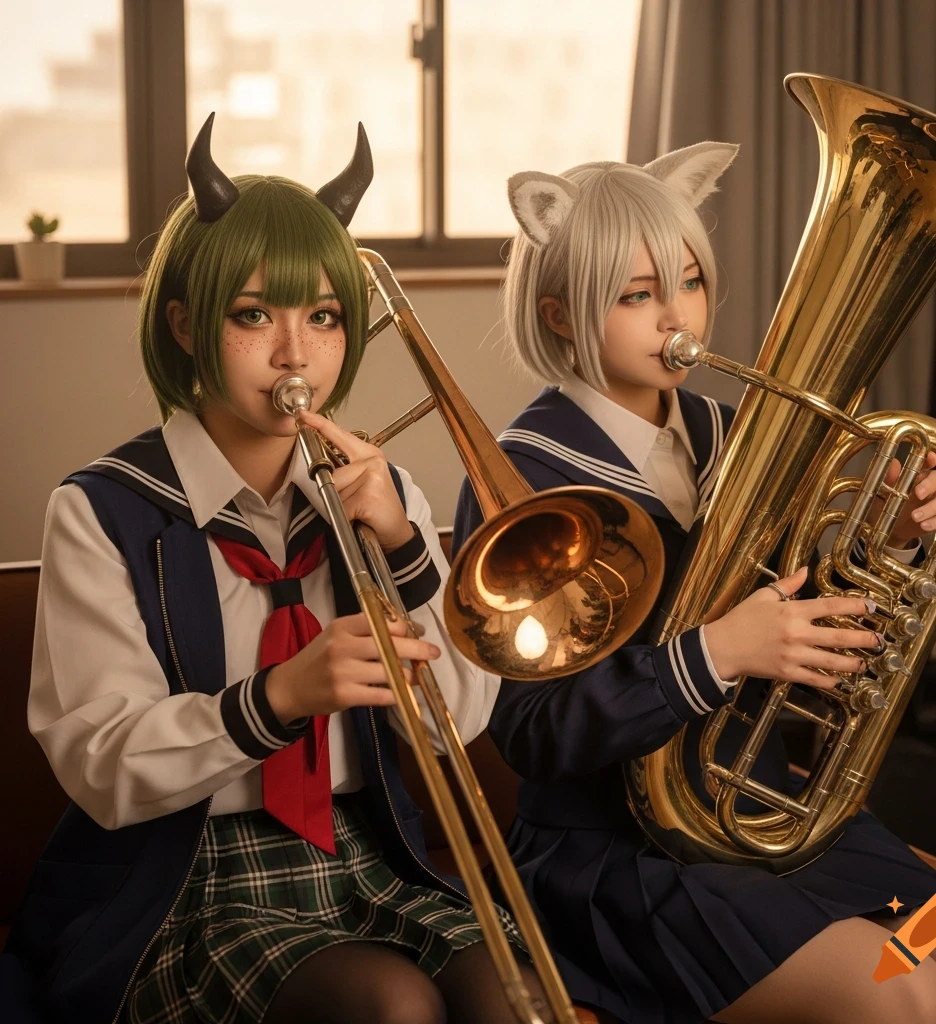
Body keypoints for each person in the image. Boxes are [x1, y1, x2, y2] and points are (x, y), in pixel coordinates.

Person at [452, 143, 936, 1024]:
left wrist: (886, 536)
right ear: (562, 316)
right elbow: (530, 733)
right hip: (619, 857)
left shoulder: (729, 428)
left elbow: (797, 604)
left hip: (771, 825)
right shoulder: (523, 477)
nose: (676, 316)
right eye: (636, 295)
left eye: (689, 283)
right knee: (896, 992)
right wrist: (714, 654)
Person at [1, 117, 551, 1024]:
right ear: (183, 324)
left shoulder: (384, 489)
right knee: (391, 1007)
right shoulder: (102, 509)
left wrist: (408, 553)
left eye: (325, 317)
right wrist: (278, 696)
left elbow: (458, 723)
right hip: (187, 882)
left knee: (514, 995)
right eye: (254, 315)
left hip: (367, 854)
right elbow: (101, 759)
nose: (297, 355)